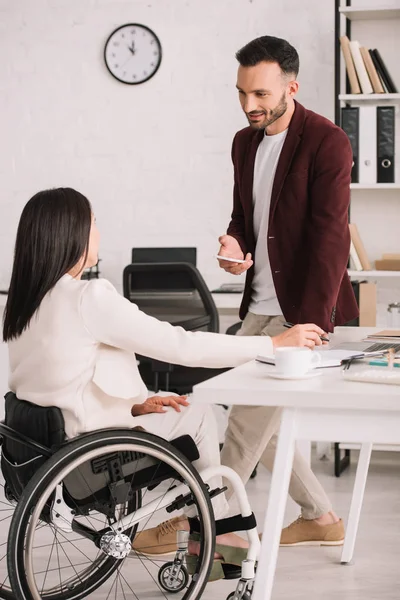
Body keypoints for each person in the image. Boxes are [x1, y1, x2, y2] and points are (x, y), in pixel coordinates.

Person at [2, 187, 325, 573]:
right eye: (93, 223)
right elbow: (181, 346)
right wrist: (271, 344)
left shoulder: (25, 301)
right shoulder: (89, 295)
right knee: (200, 414)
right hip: (91, 450)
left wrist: (132, 406)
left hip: (44, 447)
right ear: (70, 233)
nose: (98, 233)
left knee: (171, 406)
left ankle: (206, 523)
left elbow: (56, 380)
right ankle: (216, 528)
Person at [215, 35, 359, 547]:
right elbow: (245, 218)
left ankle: (212, 531)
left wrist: (311, 325)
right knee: (263, 426)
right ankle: (322, 519)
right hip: (257, 304)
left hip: (298, 313)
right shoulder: (243, 142)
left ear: (291, 87)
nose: (249, 105)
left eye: (259, 94)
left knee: (244, 428)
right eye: (241, 93)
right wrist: (234, 247)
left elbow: (330, 240)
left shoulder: (328, 141)